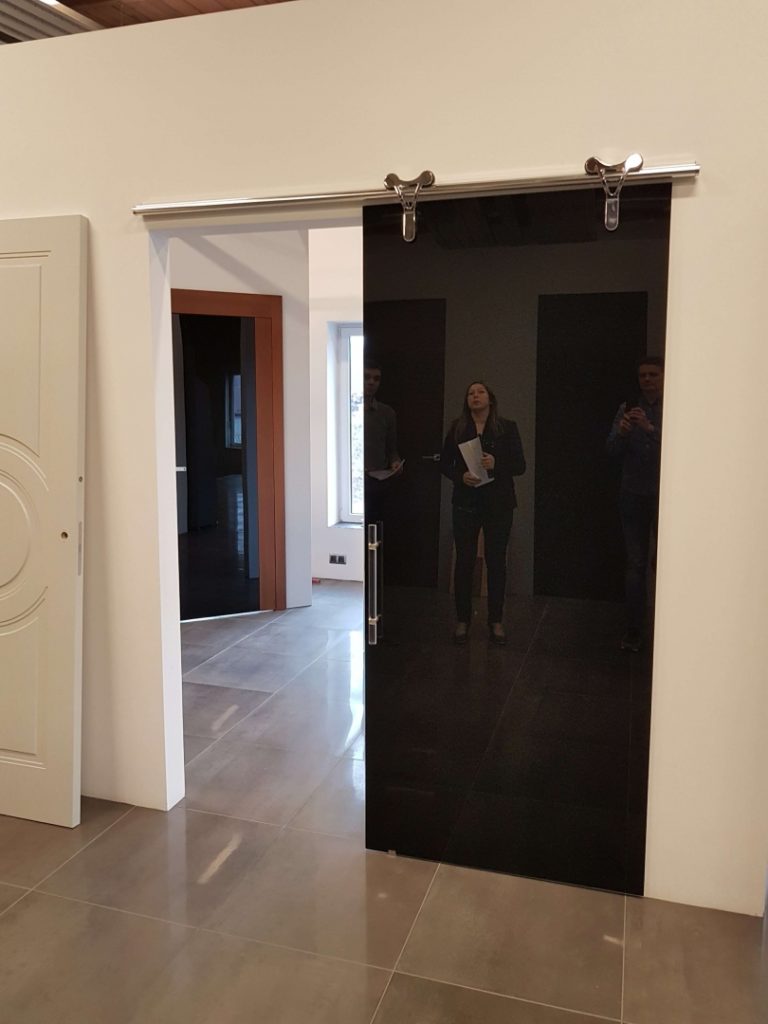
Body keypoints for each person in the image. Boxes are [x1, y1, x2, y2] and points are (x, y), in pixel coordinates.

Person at [441, 381, 526, 645]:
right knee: (464, 561)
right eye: (470, 393)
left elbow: (520, 465)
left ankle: (496, 621)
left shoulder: (507, 428)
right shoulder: (458, 427)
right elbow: (444, 463)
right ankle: (463, 620)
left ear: (491, 399)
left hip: (498, 504)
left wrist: (497, 463)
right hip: (466, 502)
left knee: (496, 562)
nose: (475, 396)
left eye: (480, 392)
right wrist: (460, 476)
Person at [606, 356, 664, 652]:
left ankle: (668, 629)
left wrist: (650, 428)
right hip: (632, 493)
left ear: (663, 377)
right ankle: (634, 630)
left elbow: (681, 448)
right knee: (636, 563)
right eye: (643, 375)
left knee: (666, 563)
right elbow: (611, 451)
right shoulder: (627, 408)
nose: (647, 380)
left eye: (653, 374)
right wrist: (624, 432)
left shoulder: (673, 408)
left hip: (666, 496)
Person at [364, 360, 402, 475]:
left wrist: (395, 462)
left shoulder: (387, 413)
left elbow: (392, 450)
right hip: (347, 478)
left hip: (378, 477)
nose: (371, 382)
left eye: (376, 379)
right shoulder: (342, 410)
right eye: (366, 377)